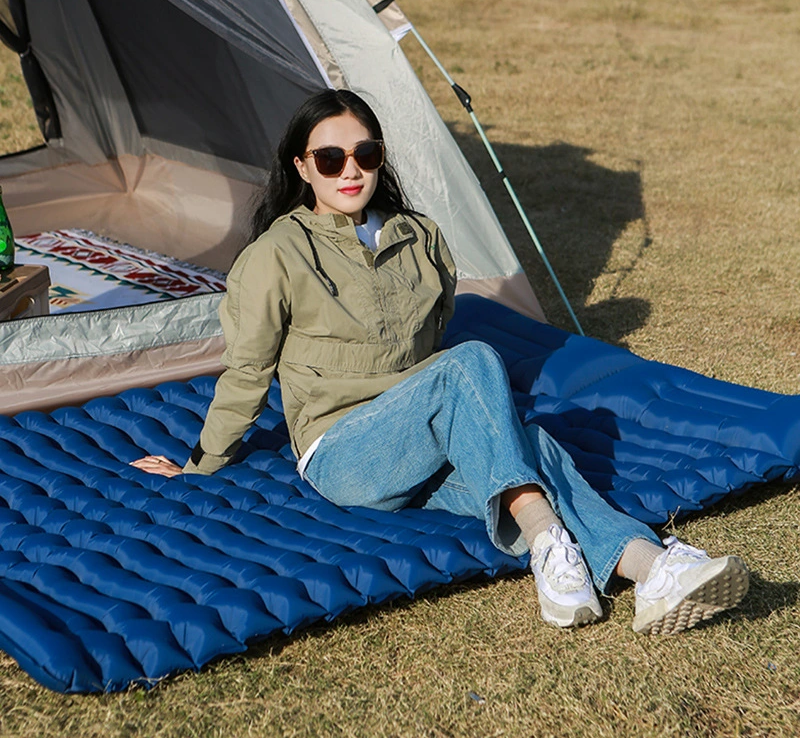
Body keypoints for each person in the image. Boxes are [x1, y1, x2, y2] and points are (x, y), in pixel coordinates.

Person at [132, 89, 749, 635]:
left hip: (424, 434)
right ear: (301, 167)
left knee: (529, 442)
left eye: (365, 154)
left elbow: (432, 328)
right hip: (344, 452)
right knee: (471, 362)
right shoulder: (275, 255)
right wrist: (198, 466)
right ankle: (546, 543)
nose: (351, 171)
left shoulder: (419, 236)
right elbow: (248, 374)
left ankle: (653, 570)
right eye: (329, 159)